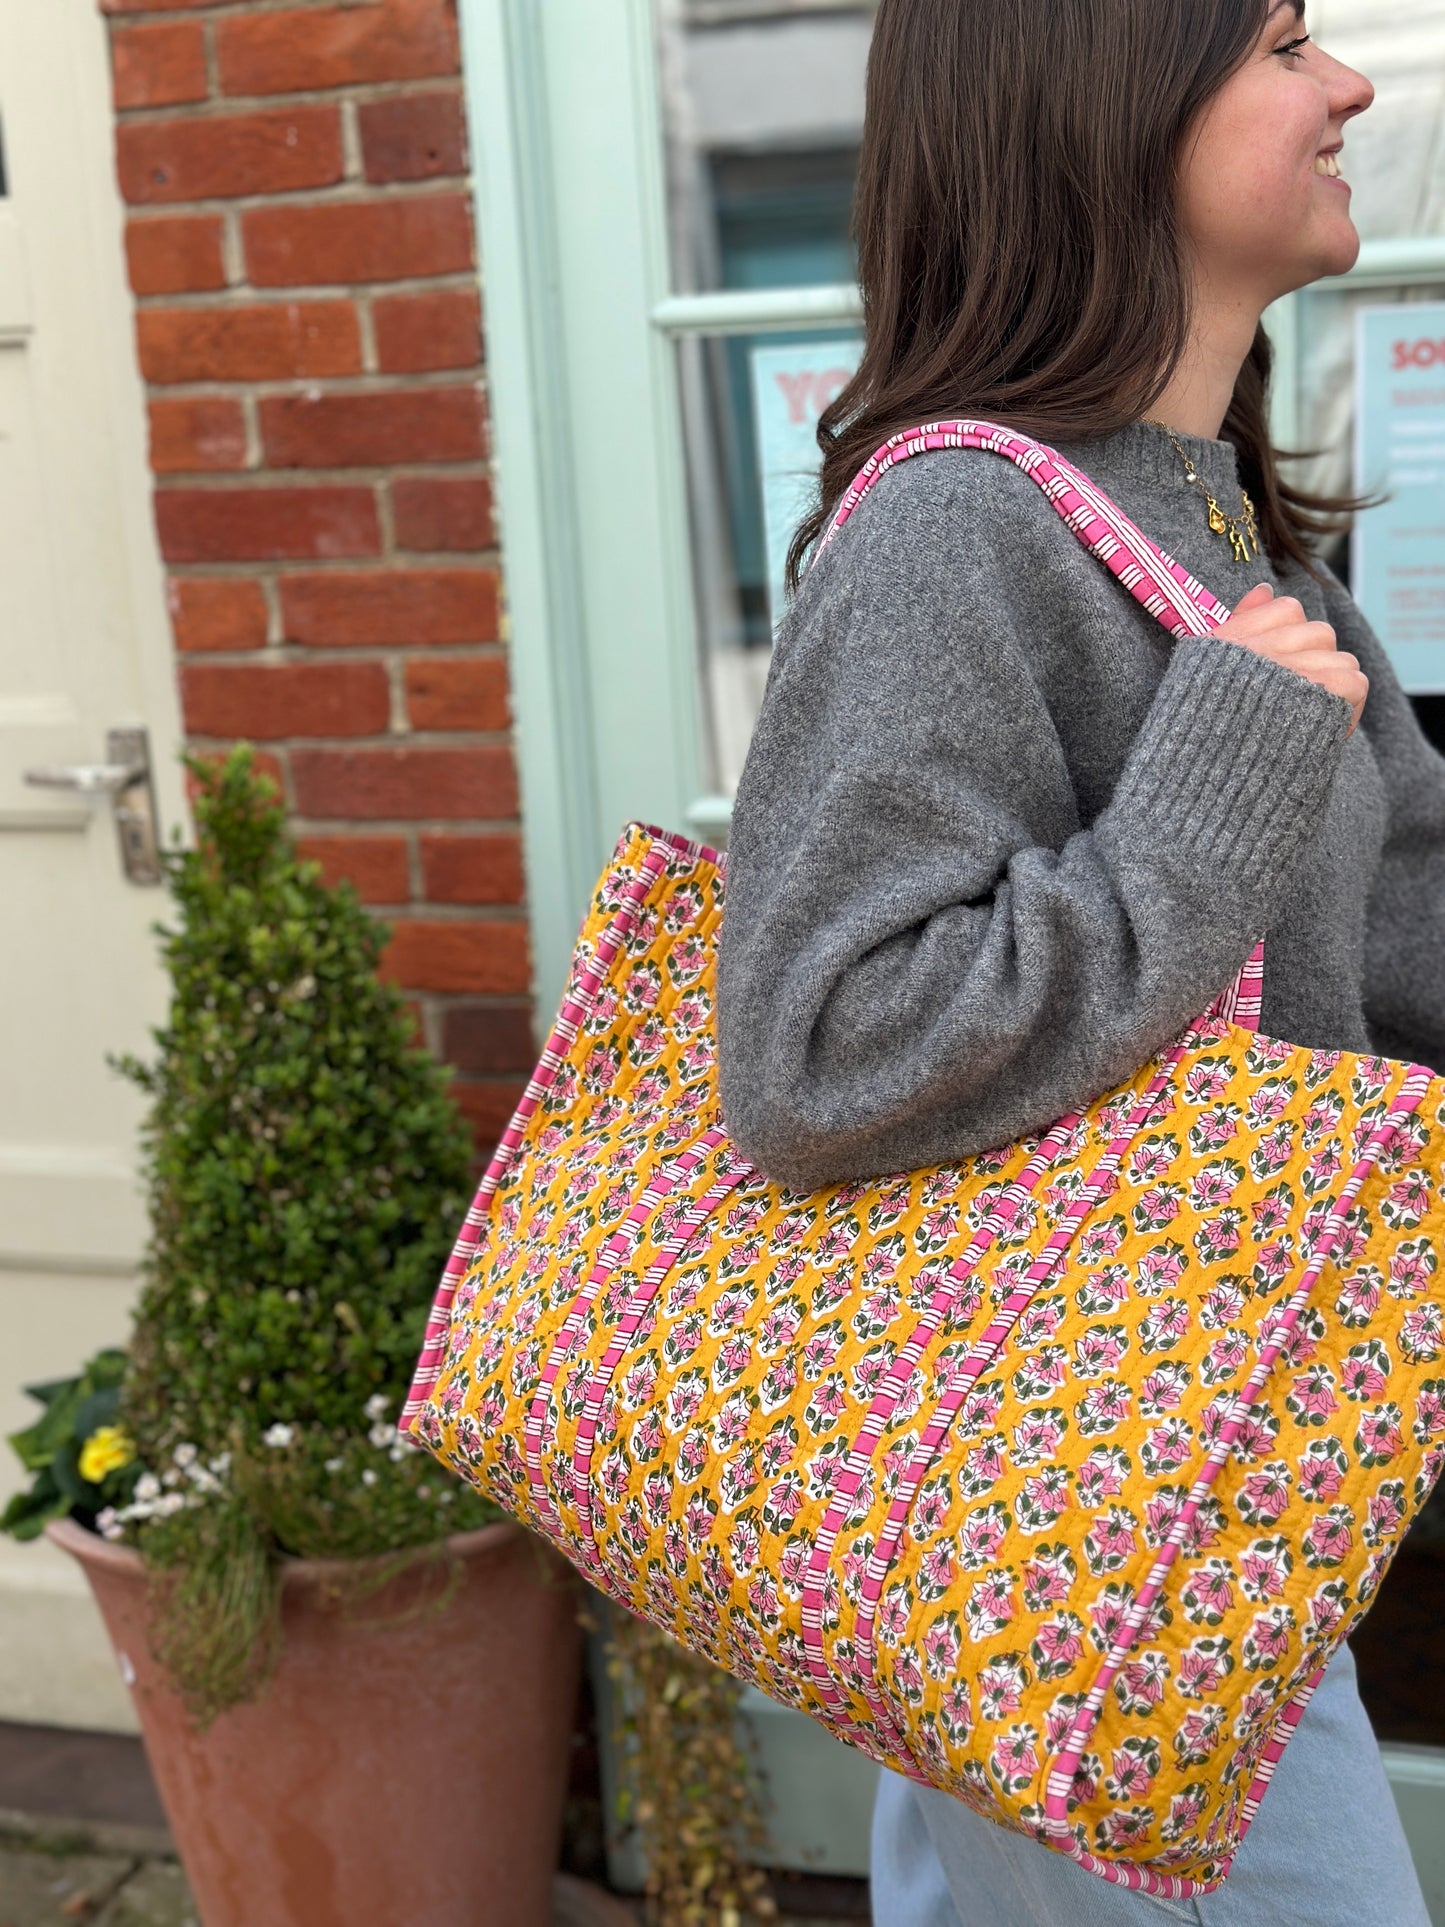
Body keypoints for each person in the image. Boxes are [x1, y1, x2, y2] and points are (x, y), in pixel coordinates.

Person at [715, 1, 1445, 1921]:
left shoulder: (1232, 533)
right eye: (1287, 43)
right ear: (1111, 103)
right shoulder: (959, 525)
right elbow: (816, 1051)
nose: (1349, 86)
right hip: (1085, 1521)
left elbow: (1401, 947)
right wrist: (1201, 797)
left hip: (1186, 1500)